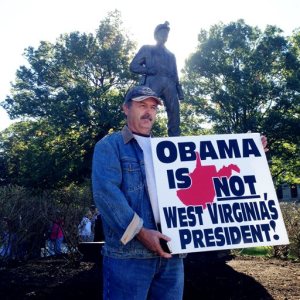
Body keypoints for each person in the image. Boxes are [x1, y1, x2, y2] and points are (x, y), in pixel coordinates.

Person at [92, 85, 184, 300]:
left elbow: (208, 172)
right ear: (125, 108)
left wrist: (250, 151)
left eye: (153, 107)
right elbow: (107, 195)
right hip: (129, 257)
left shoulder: (169, 149)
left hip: (172, 254)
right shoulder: (110, 146)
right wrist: (142, 232)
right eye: (142, 105)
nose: (148, 111)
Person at [130, 21, 184, 137]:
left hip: (170, 85)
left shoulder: (171, 55)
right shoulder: (147, 49)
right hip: (153, 81)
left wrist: (179, 90)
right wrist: (148, 70)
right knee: (145, 108)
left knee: (174, 112)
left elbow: (175, 74)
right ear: (156, 35)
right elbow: (133, 66)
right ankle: (141, 135)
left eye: (166, 34)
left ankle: (175, 138)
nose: (165, 36)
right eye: (162, 33)